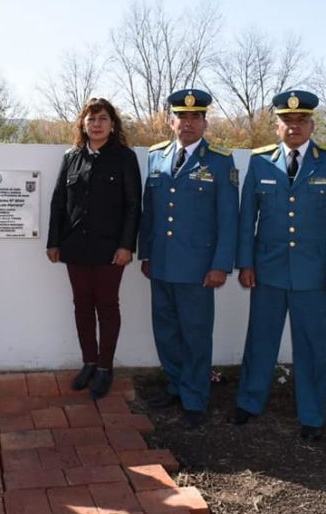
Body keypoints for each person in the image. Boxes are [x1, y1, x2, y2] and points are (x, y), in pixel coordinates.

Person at [229, 90, 326, 441]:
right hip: (267, 269)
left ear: (312, 125)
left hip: (314, 274)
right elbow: (246, 219)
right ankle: (249, 402)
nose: (294, 127)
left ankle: (312, 415)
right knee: (260, 341)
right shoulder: (260, 161)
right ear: (276, 126)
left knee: (312, 346)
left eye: (301, 121)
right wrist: (246, 263)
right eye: (287, 121)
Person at [138, 89, 239, 429]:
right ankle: (176, 386)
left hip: (199, 268)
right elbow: (149, 211)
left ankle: (195, 399)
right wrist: (146, 254)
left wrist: (221, 265)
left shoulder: (220, 161)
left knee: (196, 335)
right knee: (165, 331)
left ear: (205, 123)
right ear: (171, 121)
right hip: (162, 264)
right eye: (182, 116)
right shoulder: (156, 156)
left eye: (196, 117)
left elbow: (229, 218)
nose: (188, 123)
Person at [46, 98, 142, 399]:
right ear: (83, 125)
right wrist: (53, 241)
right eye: (91, 119)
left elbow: (133, 205)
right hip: (75, 247)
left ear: (112, 124)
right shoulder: (71, 157)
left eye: (102, 118)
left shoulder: (124, 158)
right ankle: (89, 362)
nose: (97, 124)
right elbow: (58, 202)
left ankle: (104, 368)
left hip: (109, 249)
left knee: (107, 306)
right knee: (82, 306)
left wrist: (126, 246)